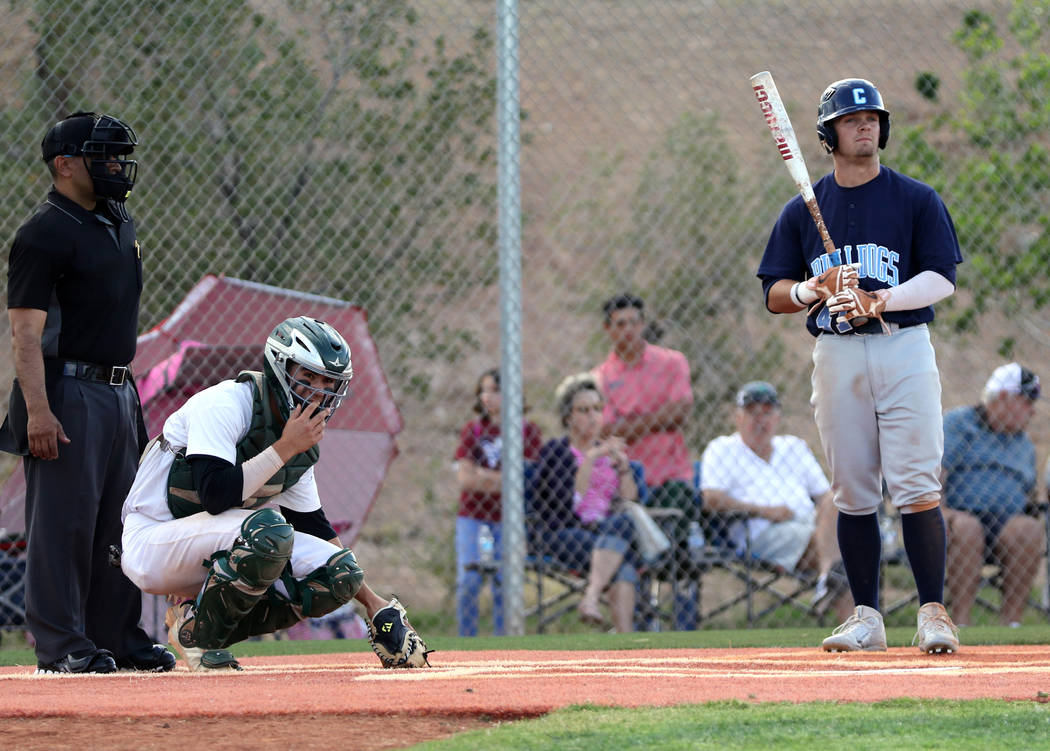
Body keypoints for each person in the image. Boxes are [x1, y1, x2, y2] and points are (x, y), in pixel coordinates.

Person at [757, 78, 964, 653]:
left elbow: (941, 277)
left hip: (903, 345)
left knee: (918, 484)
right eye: (851, 120)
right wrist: (812, 289)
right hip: (838, 352)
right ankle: (867, 616)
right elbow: (773, 290)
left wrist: (881, 298)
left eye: (872, 117)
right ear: (830, 135)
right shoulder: (804, 209)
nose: (865, 126)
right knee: (852, 490)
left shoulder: (916, 199)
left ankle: (932, 613)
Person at [120, 316, 425, 670]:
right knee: (268, 532)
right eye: (307, 378)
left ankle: (196, 627)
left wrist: (374, 605)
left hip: (212, 547)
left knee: (340, 574)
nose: (318, 392)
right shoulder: (227, 403)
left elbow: (316, 529)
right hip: (152, 543)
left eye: (328, 382)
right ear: (279, 370)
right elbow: (215, 493)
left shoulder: (295, 438)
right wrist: (284, 447)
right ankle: (201, 641)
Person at [0, 112, 173, 674]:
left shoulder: (117, 222)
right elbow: (25, 333)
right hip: (65, 391)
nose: (117, 167)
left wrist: (127, 401)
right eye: (103, 156)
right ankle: (60, 644)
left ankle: (117, 638)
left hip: (119, 391)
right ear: (64, 164)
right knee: (64, 524)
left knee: (120, 522)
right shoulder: (43, 233)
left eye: (120, 155)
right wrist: (39, 412)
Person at [699, 382, 849, 620]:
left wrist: (828, 516)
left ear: (778, 417)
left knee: (839, 501)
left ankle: (827, 581)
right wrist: (764, 511)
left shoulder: (794, 447)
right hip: (762, 533)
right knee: (849, 551)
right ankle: (849, 614)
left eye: (767, 412)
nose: (760, 420)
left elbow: (824, 497)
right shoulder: (722, 449)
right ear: (737, 417)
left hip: (811, 525)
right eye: (752, 413)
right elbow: (712, 499)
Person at [592, 293, 697, 628]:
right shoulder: (601, 377)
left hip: (670, 476)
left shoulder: (672, 362)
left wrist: (629, 423)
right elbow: (604, 429)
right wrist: (656, 418)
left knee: (681, 524)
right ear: (608, 329)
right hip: (628, 484)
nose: (629, 330)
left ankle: (681, 619)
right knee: (628, 529)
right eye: (620, 324)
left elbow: (680, 413)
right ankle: (640, 615)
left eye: (635, 322)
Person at [533, 373, 643, 632]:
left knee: (625, 522)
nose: (592, 416)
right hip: (566, 531)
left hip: (607, 531)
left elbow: (630, 502)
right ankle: (624, 640)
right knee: (622, 562)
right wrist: (591, 459)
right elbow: (571, 504)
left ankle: (592, 599)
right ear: (568, 416)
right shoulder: (556, 452)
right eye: (583, 410)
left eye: (597, 409)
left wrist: (624, 468)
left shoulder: (611, 453)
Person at [941, 363, 1044, 627]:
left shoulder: (1023, 444)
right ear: (1003, 399)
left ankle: (1012, 623)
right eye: (1026, 401)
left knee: (1029, 529)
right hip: (956, 517)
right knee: (968, 528)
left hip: (1004, 523)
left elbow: (1030, 497)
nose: (1032, 411)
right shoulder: (958, 424)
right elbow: (933, 476)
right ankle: (960, 623)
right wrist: (940, 512)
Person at [453, 367, 542, 636]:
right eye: (483, 391)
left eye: (494, 390)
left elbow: (528, 480)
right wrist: (505, 479)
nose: (486, 397)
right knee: (469, 579)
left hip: (508, 519)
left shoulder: (528, 432)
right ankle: (465, 643)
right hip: (473, 516)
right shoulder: (474, 430)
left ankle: (505, 643)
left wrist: (485, 476)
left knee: (505, 581)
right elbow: (466, 479)